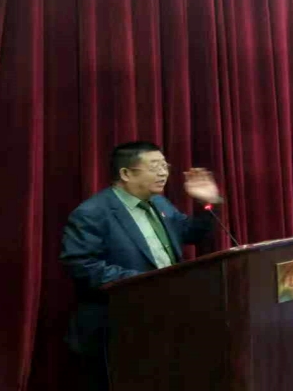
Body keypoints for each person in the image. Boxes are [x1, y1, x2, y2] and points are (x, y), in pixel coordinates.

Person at [60, 141, 221, 391]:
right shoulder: (92, 213)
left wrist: (208, 204)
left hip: (166, 319)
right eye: (155, 166)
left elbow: (191, 233)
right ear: (126, 173)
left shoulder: (160, 203)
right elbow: (82, 266)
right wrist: (147, 283)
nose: (163, 173)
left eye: (165, 166)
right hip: (118, 327)